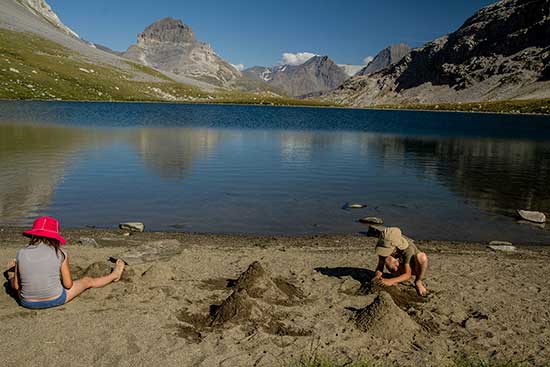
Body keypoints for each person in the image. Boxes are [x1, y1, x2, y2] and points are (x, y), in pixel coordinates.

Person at [5, 216, 125, 309]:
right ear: (54, 236)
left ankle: (11, 274)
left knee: (13, 280)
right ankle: (115, 275)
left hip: (27, 302)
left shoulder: (21, 253)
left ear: (33, 234)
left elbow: (16, 287)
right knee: (87, 281)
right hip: (56, 299)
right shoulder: (60, 253)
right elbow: (68, 285)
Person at [374, 227, 429, 296]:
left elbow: (408, 274)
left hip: (414, 266)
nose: (385, 251)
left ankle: (418, 281)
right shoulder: (383, 244)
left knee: (422, 257)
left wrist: (390, 281)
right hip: (401, 265)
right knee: (388, 260)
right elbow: (380, 266)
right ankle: (397, 277)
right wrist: (377, 277)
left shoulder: (408, 249)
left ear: (396, 246)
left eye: (387, 249)